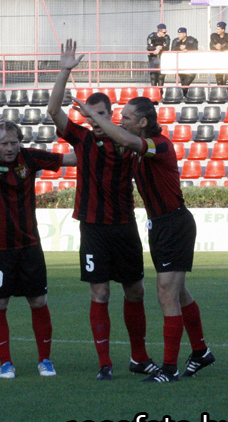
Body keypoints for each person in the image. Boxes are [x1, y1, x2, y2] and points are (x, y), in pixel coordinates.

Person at [71, 96, 215, 383]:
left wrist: (92, 115)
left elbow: (124, 139)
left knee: (166, 294)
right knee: (179, 292)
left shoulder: (156, 144)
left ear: (143, 122)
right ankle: (200, 352)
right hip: (159, 225)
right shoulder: (139, 148)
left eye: (125, 117)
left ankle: (169, 369)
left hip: (174, 224)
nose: (121, 121)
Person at [48, 39, 156, 381]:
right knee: (100, 291)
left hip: (124, 225)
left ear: (110, 116)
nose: (95, 121)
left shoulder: (125, 141)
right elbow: (53, 112)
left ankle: (138, 356)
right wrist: (64, 71)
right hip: (93, 228)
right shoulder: (81, 138)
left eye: (102, 115)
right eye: (90, 115)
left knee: (134, 290)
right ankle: (104, 362)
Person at [0, 120, 76, 379]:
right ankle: (6, 363)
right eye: (3, 143)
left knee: (39, 301)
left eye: (13, 142)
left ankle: (45, 360)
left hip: (29, 245)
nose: (9, 148)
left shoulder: (28, 157)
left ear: (20, 141)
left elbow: (70, 159)